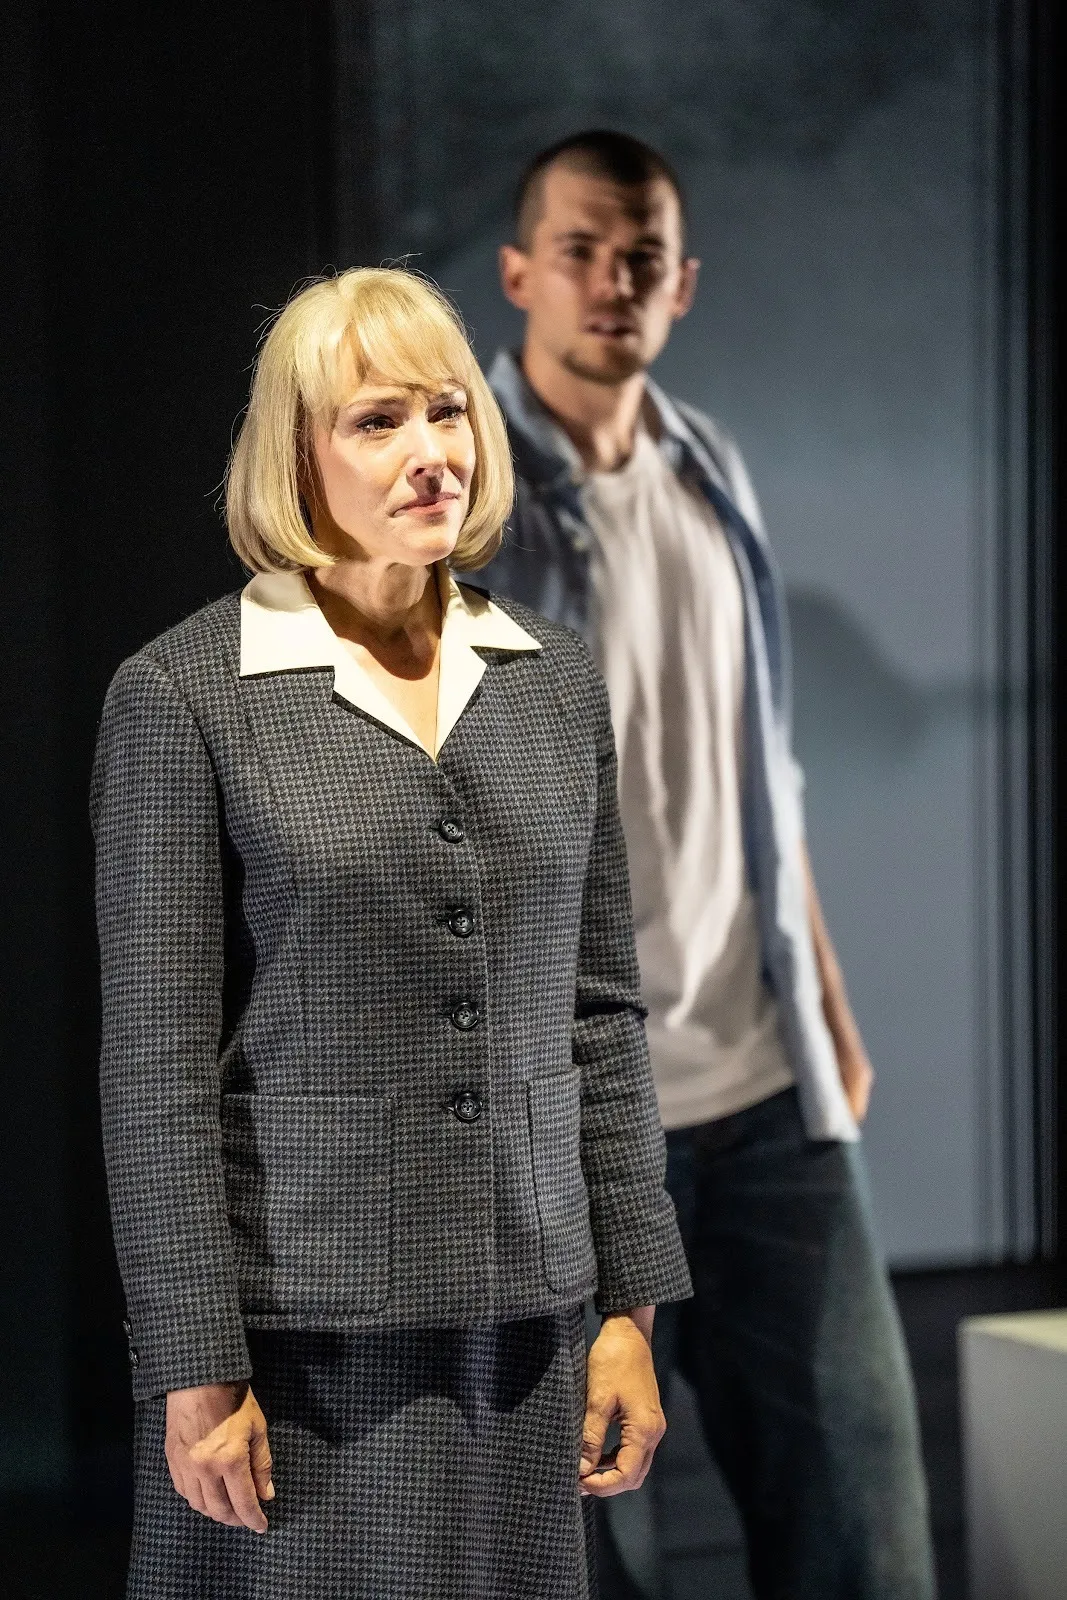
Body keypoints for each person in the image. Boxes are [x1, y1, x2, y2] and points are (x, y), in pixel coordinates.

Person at [90, 265, 693, 1600]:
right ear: (296, 456)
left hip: (529, 1330)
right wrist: (194, 1366)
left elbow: (598, 1013)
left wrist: (628, 1309)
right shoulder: (186, 695)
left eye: (447, 412)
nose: (430, 453)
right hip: (299, 1353)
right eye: (376, 421)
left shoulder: (550, 677)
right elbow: (156, 1068)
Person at [476, 130, 937, 1599]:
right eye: (580, 251)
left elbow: (762, 774)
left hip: (766, 1090)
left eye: (642, 255)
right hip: (570, 1121)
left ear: (681, 280)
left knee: (859, 1527)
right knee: (587, 1546)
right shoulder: (464, 502)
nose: (613, 281)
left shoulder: (710, 467)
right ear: (515, 275)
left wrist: (834, 1011)